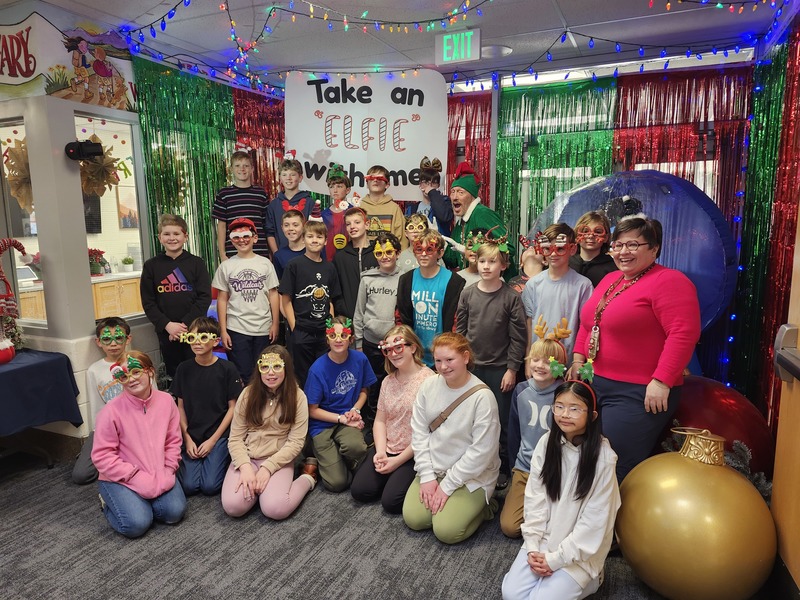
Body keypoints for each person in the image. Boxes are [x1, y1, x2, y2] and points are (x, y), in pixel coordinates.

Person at [570, 216, 701, 482]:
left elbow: (683, 333)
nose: (623, 252)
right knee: (587, 456)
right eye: (618, 245)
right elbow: (589, 322)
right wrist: (577, 359)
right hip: (595, 383)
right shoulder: (611, 279)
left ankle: (612, 523)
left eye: (632, 245)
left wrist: (662, 380)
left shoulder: (669, 280)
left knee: (616, 463)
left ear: (653, 249)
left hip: (638, 391)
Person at [501, 381, 621, 600]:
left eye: (575, 408)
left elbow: (594, 523)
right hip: (545, 540)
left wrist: (555, 560)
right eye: (559, 406)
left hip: (581, 552)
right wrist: (533, 547)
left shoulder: (603, 458)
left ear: (592, 415)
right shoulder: (547, 443)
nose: (565, 414)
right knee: (511, 594)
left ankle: (594, 579)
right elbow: (535, 500)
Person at [403, 332, 500, 544]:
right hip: (435, 466)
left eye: (449, 360)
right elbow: (419, 432)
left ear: (465, 357)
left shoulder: (483, 397)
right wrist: (427, 476)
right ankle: (444, 499)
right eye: (438, 360)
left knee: (446, 531)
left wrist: (447, 486)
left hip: (471, 476)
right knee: (415, 519)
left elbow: (482, 452)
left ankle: (486, 508)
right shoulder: (428, 386)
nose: (443, 366)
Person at [456, 231, 527, 486]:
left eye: (492, 262)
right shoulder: (468, 294)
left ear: (503, 266)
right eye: (483, 261)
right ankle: (475, 463)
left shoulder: (511, 298)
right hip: (473, 368)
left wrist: (512, 369)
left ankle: (504, 467)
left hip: (499, 370)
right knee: (473, 419)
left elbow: (519, 338)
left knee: (501, 420)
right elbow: (460, 332)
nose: (486, 266)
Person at [92, 351, 186, 538]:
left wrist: (168, 469)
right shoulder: (110, 412)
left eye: (136, 372)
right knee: (136, 525)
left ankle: (142, 501)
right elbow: (102, 456)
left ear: (150, 371)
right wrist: (135, 477)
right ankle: (109, 501)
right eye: (124, 375)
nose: (131, 379)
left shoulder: (167, 401)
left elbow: (173, 441)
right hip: (121, 478)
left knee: (174, 513)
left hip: (158, 472)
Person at [221, 346, 316, 518]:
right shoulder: (247, 394)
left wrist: (267, 469)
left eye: (277, 366)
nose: (270, 373)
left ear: (286, 368)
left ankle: (307, 478)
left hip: (277, 458)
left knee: (275, 509)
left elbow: (296, 443)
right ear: (259, 369)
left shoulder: (298, 397)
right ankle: (261, 489)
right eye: (265, 367)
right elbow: (235, 438)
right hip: (248, 457)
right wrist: (245, 467)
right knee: (233, 507)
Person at [351, 326, 435, 513]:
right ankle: (389, 476)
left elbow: (429, 432)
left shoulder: (429, 381)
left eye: (399, 348)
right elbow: (380, 420)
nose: (394, 354)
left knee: (391, 503)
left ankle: (398, 477)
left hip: (413, 452)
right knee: (359, 491)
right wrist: (380, 452)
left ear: (412, 347)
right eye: (388, 350)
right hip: (388, 447)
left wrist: (397, 462)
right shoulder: (388, 381)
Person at [501, 338, 567, 538]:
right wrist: (515, 468)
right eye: (535, 359)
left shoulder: (565, 392)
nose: (540, 365)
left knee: (558, 527)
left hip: (557, 469)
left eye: (548, 362)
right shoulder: (521, 391)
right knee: (509, 527)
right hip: (525, 468)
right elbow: (514, 433)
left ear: (560, 366)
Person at [305, 316, 377, 492]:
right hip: (322, 424)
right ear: (327, 339)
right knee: (337, 484)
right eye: (333, 335)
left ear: (351, 339)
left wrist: (355, 409)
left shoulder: (360, 360)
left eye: (343, 335)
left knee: (357, 448)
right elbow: (312, 410)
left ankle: (335, 457)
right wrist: (340, 419)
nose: (338, 340)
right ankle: (314, 455)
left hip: (348, 418)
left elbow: (364, 390)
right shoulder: (317, 369)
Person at [172, 317, 242, 496]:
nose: (197, 342)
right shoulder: (183, 369)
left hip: (218, 435)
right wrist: (187, 438)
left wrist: (212, 441)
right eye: (192, 338)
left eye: (203, 338)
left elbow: (233, 408)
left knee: (210, 486)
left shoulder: (227, 368)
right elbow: (180, 407)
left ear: (215, 341)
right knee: (189, 486)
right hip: (193, 434)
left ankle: (223, 459)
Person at [140, 214, 211, 378]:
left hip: (193, 330)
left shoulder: (196, 263)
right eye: (166, 234)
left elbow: (204, 298)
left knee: (197, 371)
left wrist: (184, 325)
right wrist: (168, 325)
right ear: (160, 238)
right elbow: (148, 302)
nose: (172, 238)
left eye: (176, 234)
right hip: (167, 332)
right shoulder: (151, 266)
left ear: (185, 236)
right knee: (175, 374)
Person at [212, 217, 280, 382]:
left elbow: (273, 294)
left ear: (255, 238)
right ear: (231, 240)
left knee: (263, 370)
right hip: (236, 328)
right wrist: (223, 330)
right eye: (236, 237)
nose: (241, 240)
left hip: (263, 328)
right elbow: (222, 299)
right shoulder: (226, 266)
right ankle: (246, 406)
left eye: (246, 236)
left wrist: (276, 323)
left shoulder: (266, 264)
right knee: (242, 374)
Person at [278, 220, 342, 386]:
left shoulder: (330, 268)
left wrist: (331, 327)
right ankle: (304, 410)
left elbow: (330, 301)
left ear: (326, 241)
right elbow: (286, 300)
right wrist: (294, 327)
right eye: (310, 236)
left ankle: (320, 409)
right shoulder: (294, 265)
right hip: (301, 331)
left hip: (323, 332)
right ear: (303, 239)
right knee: (301, 376)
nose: (315, 240)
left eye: (319, 237)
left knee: (324, 372)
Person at [521, 223, 592, 371]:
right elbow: (529, 324)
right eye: (548, 249)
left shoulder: (583, 286)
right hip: (538, 362)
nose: (553, 254)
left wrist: (577, 362)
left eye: (559, 249)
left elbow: (586, 326)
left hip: (567, 363)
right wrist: (528, 358)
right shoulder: (533, 284)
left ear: (572, 249)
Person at [72, 317, 132, 484]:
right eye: (106, 339)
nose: (113, 344)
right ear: (98, 342)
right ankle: (111, 459)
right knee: (81, 475)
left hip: (136, 427)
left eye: (119, 338)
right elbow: (97, 409)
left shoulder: (137, 363)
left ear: (128, 339)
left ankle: (117, 461)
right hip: (107, 429)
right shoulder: (94, 371)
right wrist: (99, 436)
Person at [352, 231, 403, 423]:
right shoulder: (367, 279)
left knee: (393, 383)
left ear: (397, 253)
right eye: (379, 253)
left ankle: (392, 422)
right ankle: (372, 423)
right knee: (372, 385)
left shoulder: (404, 279)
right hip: (370, 342)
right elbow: (359, 313)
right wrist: (358, 343)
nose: (385, 257)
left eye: (389, 252)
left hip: (395, 344)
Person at [397, 230, 466, 367]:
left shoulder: (454, 282)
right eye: (419, 249)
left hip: (444, 356)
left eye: (429, 250)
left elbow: (456, 322)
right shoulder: (406, 280)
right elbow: (401, 318)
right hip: (415, 354)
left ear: (440, 253)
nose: (423, 254)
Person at [443, 161, 517, 278]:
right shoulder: (460, 223)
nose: (455, 197)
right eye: (452, 192)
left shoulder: (482, 214)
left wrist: (474, 251)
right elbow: (453, 260)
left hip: (497, 286)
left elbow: (509, 248)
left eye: (460, 192)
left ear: (471, 196)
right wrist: (439, 241)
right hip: (474, 285)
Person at [212, 150, 270, 260]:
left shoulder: (261, 193)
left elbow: (266, 225)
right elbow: (221, 226)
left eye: (246, 166)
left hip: (259, 251)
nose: (242, 169)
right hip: (233, 252)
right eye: (237, 166)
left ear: (252, 169)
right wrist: (222, 253)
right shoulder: (224, 194)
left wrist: (269, 251)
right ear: (231, 169)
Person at [332, 207, 378, 319]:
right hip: (348, 318)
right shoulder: (340, 257)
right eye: (348, 224)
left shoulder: (377, 254)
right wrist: (342, 310)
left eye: (357, 222)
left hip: (373, 319)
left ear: (367, 225)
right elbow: (336, 290)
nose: (352, 226)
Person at [266, 156, 314, 253]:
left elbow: (314, 230)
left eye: (292, 174)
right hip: (281, 255)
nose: (288, 178)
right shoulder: (274, 205)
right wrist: (276, 254)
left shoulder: (309, 202)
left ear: (300, 178)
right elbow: (269, 232)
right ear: (280, 178)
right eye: (284, 175)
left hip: (306, 254)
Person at [360, 164, 406, 247]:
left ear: (387, 184)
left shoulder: (394, 208)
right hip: (364, 256)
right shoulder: (359, 207)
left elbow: (402, 239)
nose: (375, 180)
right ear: (367, 184)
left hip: (388, 256)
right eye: (372, 178)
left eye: (380, 178)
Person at [569, 211, 617, 287]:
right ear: (576, 235)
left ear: (606, 238)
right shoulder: (566, 263)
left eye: (598, 232)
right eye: (585, 231)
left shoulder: (613, 268)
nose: (591, 236)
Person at [321, 164, 352, 261]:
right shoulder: (323, 215)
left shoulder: (353, 212)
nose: (335, 190)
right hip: (327, 260)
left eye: (339, 186)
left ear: (347, 190)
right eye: (331, 186)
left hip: (348, 259)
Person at [416, 157, 453, 236]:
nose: (429, 185)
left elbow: (444, 216)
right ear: (420, 184)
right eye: (425, 182)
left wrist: (432, 192)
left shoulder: (445, 202)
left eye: (433, 183)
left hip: (439, 245)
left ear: (438, 185)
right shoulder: (412, 208)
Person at [272, 209, 306, 280]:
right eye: (286, 225)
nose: (291, 228)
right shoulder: (278, 256)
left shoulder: (313, 251)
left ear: (303, 227)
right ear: (282, 228)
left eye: (295, 225)